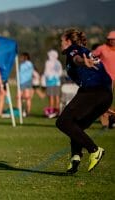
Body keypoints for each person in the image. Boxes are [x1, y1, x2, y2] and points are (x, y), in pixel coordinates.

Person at [56, 28, 113, 174]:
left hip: (93, 92)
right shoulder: (85, 51)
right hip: (103, 95)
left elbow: (77, 59)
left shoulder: (73, 49)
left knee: (63, 122)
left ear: (68, 41)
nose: (60, 44)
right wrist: (102, 104)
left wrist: (82, 62)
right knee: (76, 126)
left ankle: (94, 150)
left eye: (62, 41)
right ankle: (75, 158)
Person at [91, 31, 115, 129]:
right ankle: (105, 124)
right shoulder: (102, 48)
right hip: (104, 79)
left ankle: (112, 120)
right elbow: (90, 57)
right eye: (110, 39)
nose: (112, 41)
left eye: (114, 39)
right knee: (104, 101)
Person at [43, 49, 63, 118]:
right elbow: (60, 72)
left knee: (51, 97)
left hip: (50, 82)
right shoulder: (58, 62)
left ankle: (51, 111)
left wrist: (45, 81)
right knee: (57, 97)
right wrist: (56, 76)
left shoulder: (48, 62)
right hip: (57, 81)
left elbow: (46, 72)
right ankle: (57, 112)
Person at [17, 52, 34, 117]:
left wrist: (17, 79)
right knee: (28, 98)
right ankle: (28, 111)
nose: (21, 58)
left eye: (22, 57)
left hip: (22, 82)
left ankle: (19, 111)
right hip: (28, 81)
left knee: (19, 97)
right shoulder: (30, 64)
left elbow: (20, 73)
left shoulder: (23, 64)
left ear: (25, 57)